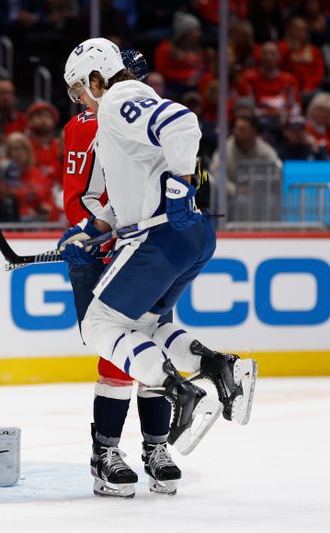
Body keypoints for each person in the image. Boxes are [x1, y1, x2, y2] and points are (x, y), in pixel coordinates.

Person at [59, 38, 256, 495]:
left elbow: (182, 123)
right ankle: (216, 364)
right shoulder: (110, 113)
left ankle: (176, 395)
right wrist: (90, 229)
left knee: (100, 329)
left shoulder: (116, 102)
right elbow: (119, 192)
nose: (79, 101)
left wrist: (179, 189)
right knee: (147, 331)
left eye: (78, 90)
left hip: (154, 239)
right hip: (185, 235)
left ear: (96, 78)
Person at [60, 46, 180, 498]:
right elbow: (81, 195)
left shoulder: (146, 119)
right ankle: (105, 454)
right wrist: (94, 236)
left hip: (151, 248)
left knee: (152, 339)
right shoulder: (86, 124)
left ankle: (156, 448)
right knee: (117, 349)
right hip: (107, 247)